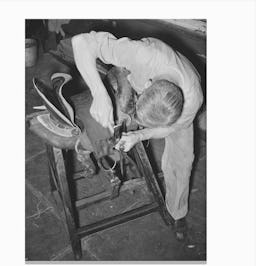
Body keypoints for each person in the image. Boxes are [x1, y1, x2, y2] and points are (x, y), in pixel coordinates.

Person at [71, 31, 204, 239]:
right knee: (108, 124)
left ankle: (178, 211)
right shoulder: (141, 54)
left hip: (175, 108)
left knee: (183, 160)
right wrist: (99, 94)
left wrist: (140, 136)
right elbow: (80, 41)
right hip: (133, 73)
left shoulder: (192, 99)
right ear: (148, 85)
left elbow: (170, 128)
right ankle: (102, 156)